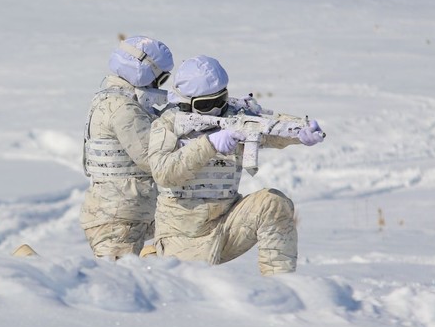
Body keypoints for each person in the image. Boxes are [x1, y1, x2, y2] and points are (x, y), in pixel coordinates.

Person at [146, 55, 324, 275]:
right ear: (186, 102)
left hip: (229, 223)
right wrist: (209, 144)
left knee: (273, 202)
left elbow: (269, 128)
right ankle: (154, 259)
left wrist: (299, 133)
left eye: (221, 100)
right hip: (185, 233)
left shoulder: (235, 117)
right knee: (197, 292)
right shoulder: (167, 124)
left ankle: (281, 286)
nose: (217, 109)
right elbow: (164, 173)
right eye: (206, 104)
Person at [79, 36, 174, 259]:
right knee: (115, 284)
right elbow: (152, 160)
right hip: (119, 218)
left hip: (121, 212)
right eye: (162, 78)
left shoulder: (111, 99)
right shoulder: (125, 108)